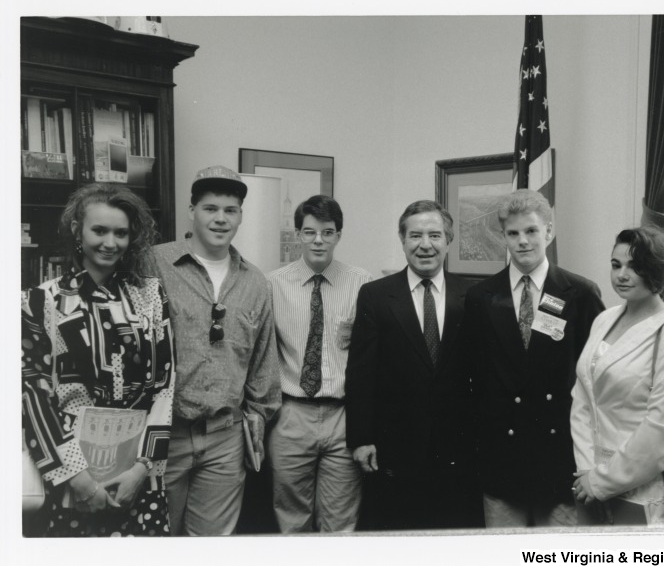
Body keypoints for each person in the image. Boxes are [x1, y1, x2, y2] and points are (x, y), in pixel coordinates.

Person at [21, 183, 175, 536]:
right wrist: (79, 479)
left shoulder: (151, 296)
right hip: (71, 475)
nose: (111, 242)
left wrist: (141, 469)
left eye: (121, 233)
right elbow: (33, 396)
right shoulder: (40, 302)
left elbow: (165, 386)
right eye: (99, 230)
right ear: (78, 230)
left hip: (139, 475)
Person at [147, 165, 281, 536]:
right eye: (210, 208)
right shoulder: (154, 263)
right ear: (192, 210)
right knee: (158, 539)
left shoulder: (254, 280)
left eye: (230, 210)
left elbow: (263, 361)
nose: (220, 219)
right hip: (164, 433)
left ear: (240, 216)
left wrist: (256, 420)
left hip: (225, 437)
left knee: (212, 545)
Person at [463, 189, 604, 528]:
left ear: (549, 232)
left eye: (531, 231)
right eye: (513, 233)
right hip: (502, 459)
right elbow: (472, 378)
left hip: (559, 458)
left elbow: (598, 378)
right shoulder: (480, 297)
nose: (523, 241)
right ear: (503, 237)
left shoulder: (580, 294)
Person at [346, 200, 483, 530]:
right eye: (416, 236)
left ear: (448, 240)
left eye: (435, 235)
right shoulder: (375, 296)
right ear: (402, 240)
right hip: (394, 449)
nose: (425, 245)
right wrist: (361, 438)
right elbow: (361, 373)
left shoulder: (475, 296)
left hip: (457, 450)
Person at [570, 226, 664, 525]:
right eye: (616, 265)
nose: (622, 275)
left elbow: (660, 432)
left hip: (651, 484)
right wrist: (587, 470)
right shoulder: (605, 319)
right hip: (593, 477)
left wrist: (602, 481)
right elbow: (583, 398)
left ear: (657, 272)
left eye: (635, 267)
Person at [265, 195, 372, 532]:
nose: (318, 241)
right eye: (309, 232)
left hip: (343, 416)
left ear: (339, 235)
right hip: (291, 416)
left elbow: (370, 354)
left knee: (340, 521)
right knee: (291, 519)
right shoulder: (272, 284)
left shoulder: (363, 284)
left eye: (327, 232)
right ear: (298, 234)